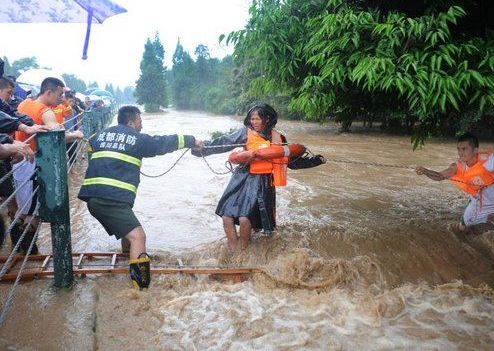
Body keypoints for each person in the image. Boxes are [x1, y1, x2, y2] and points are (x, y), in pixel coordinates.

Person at [78, 105, 203, 291]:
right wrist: (192, 140)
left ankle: (127, 257)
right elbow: (163, 143)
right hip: (111, 200)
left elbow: (91, 155)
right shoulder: (137, 139)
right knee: (139, 237)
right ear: (131, 123)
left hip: (93, 198)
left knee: (128, 230)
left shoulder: (98, 136)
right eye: (140, 122)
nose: (142, 126)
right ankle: (141, 288)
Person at [193, 103, 326, 251]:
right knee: (226, 216)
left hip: (263, 182)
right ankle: (233, 252)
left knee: (245, 219)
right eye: (252, 119)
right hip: (242, 177)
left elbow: (290, 163)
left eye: (257, 119)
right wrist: (202, 149)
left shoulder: (278, 138)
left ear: (267, 119)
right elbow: (224, 143)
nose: (254, 122)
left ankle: (243, 251)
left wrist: (315, 161)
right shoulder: (245, 132)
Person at [415, 132, 494, 248]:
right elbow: (440, 176)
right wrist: (426, 171)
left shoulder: (487, 160)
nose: (461, 153)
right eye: (459, 149)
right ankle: (476, 248)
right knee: (462, 229)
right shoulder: (457, 166)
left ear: (475, 150)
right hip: (479, 202)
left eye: (464, 149)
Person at [13, 77, 84, 254]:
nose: (62, 99)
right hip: (33, 163)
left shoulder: (23, 104)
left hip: (19, 162)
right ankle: (29, 252)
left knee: (23, 207)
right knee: (34, 211)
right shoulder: (46, 112)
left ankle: (16, 248)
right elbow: (56, 135)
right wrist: (75, 134)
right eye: (60, 94)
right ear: (48, 92)